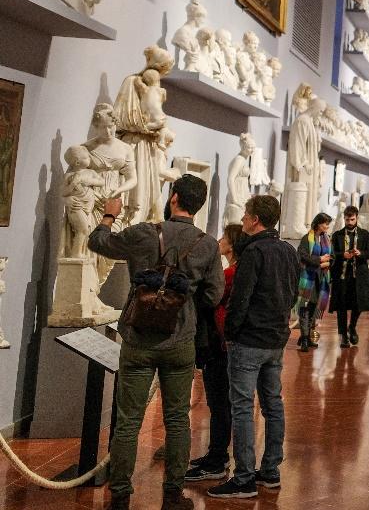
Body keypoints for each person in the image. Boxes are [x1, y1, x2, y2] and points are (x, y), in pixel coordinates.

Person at [88, 175, 223, 510]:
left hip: (138, 338)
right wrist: (185, 299)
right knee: (177, 417)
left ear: (174, 197)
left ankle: (120, 493)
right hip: (180, 340)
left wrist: (109, 215)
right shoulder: (207, 244)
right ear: (199, 204)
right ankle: (173, 493)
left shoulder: (145, 233)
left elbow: (98, 242)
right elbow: (214, 294)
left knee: (129, 418)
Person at [208, 195, 299, 499]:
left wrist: (230, 332)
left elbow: (240, 298)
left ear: (256, 219)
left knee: (243, 407)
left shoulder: (253, 251)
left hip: (249, 340)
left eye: (246, 215)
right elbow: (292, 294)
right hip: (275, 338)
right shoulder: (288, 250)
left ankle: (244, 476)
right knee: (273, 404)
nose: (244, 220)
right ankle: (270, 471)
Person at [186, 225, 244, 484]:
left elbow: (211, 297)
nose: (219, 240)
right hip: (222, 343)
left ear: (231, 245)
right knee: (219, 404)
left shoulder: (231, 273)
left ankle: (218, 459)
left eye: (224, 237)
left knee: (220, 404)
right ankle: (215, 454)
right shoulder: (232, 270)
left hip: (219, 345)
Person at [330, 206, 369, 347]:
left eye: (352, 219)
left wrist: (359, 253)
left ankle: (352, 326)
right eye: (347, 219)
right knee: (342, 306)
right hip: (342, 276)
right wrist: (342, 255)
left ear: (357, 218)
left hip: (359, 275)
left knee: (359, 304)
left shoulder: (364, 234)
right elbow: (332, 254)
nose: (349, 222)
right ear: (344, 218)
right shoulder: (337, 235)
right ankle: (343, 335)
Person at [294, 214, 332, 352]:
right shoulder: (307, 238)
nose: (327, 226)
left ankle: (309, 336)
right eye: (325, 223)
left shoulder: (326, 238)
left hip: (320, 279)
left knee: (314, 308)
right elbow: (302, 255)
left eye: (328, 224)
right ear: (318, 224)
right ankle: (304, 338)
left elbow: (330, 256)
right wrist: (320, 260)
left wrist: (328, 262)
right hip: (308, 278)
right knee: (305, 308)